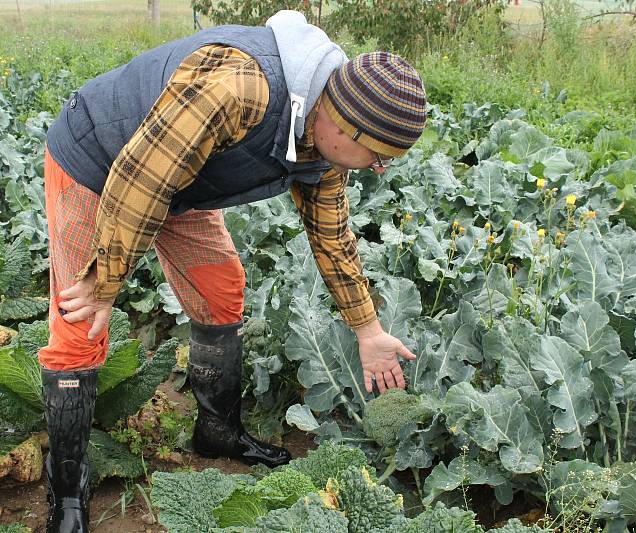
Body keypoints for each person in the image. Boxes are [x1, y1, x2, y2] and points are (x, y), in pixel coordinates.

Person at [38, 9, 427, 532]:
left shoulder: (324, 149)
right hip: (99, 161)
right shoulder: (239, 86)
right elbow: (140, 178)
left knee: (221, 289)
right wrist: (106, 279)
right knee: (80, 319)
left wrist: (368, 328)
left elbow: (332, 238)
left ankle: (216, 431)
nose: (378, 168)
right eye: (378, 155)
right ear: (342, 122)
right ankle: (67, 490)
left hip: (179, 182)